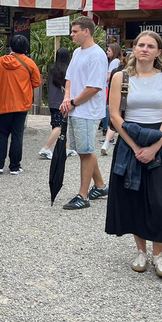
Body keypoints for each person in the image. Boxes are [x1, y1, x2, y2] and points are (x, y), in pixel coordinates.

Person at [105, 31, 162, 278]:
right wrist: (135, 148)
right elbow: (115, 115)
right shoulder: (120, 77)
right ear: (133, 49)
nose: (145, 49)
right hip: (129, 139)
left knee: (160, 198)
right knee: (133, 196)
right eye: (140, 45)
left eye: (150, 46)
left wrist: (155, 146)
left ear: (159, 52)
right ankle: (141, 250)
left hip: (159, 139)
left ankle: (159, 253)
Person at [60, 17, 109, 209]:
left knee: (86, 151)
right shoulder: (77, 52)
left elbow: (95, 87)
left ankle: (83, 195)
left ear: (86, 31)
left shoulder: (97, 55)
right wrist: (66, 98)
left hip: (88, 111)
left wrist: (72, 101)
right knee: (83, 150)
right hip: (75, 108)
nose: (71, 34)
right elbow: (69, 77)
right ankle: (100, 185)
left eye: (75, 31)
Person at [0, 34, 41, 175]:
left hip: (3, 103)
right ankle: (15, 166)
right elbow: (36, 82)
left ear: (10, 47)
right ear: (25, 48)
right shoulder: (29, 63)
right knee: (17, 135)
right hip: (21, 104)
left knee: (2, 134)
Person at [39, 47, 72, 159]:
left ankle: (66, 149)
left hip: (52, 101)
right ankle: (46, 148)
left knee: (58, 124)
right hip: (62, 101)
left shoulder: (53, 69)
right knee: (60, 126)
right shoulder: (68, 70)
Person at [100, 52, 130, 155]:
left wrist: (109, 101)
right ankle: (109, 143)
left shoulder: (116, 70)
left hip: (119, 99)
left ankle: (106, 143)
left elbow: (111, 87)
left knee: (113, 123)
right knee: (118, 122)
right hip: (124, 100)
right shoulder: (120, 72)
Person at [101, 43, 123, 135]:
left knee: (106, 108)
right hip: (110, 87)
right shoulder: (115, 61)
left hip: (108, 87)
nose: (107, 52)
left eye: (109, 51)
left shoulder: (114, 62)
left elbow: (109, 76)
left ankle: (106, 128)